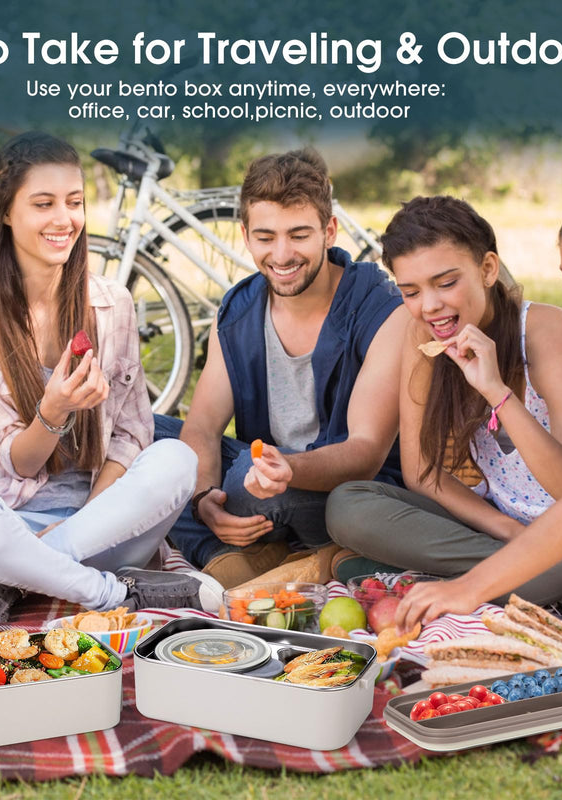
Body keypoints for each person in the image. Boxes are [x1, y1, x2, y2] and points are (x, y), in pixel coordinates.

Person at [0, 132, 222, 621]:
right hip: (15, 523)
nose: (63, 219)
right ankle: (112, 593)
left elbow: (132, 436)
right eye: (43, 203)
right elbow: (18, 465)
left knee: (175, 457)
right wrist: (53, 412)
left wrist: (82, 523)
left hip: (107, 524)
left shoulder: (113, 304)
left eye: (74, 202)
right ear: (6, 212)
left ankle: (14, 580)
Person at [327, 194, 562, 628]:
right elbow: (422, 474)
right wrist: (506, 530)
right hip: (505, 522)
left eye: (445, 283)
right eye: (411, 291)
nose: (429, 305)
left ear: (488, 269)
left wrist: (496, 393)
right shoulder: (424, 339)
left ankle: (429, 578)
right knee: (348, 504)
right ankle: (541, 582)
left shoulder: (548, 335)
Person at [154, 148, 409, 588]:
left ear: (329, 231)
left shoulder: (380, 307)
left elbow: (366, 452)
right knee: (141, 436)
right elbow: (202, 426)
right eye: (266, 237)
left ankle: (241, 553)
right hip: (263, 475)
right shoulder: (236, 312)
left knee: (244, 483)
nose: (282, 254)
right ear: (246, 235)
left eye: (299, 235)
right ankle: (239, 555)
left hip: (342, 492)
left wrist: (286, 470)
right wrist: (200, 499)